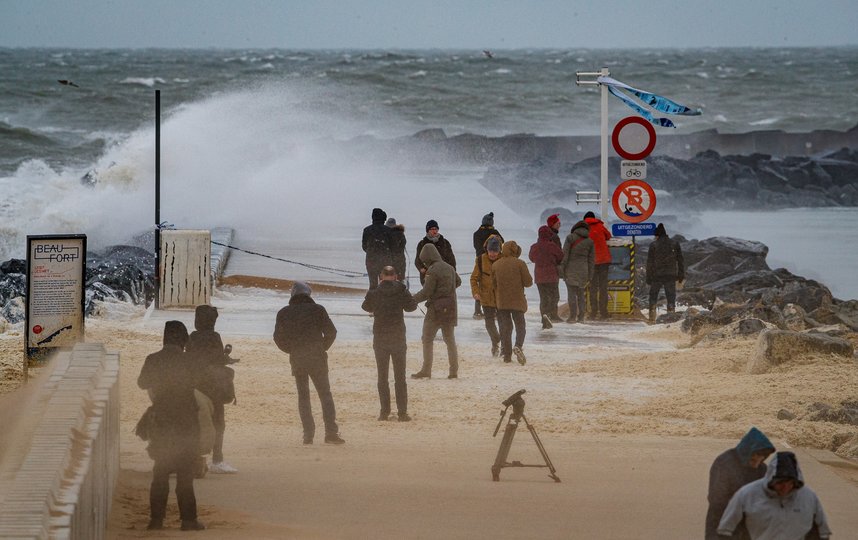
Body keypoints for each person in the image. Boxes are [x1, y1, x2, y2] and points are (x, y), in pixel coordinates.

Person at [137, 321, 205, 531]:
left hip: (162, 421)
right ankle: (188, 520)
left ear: (165, 339)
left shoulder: (153, 359)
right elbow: (201, 382)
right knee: (185, 472)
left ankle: (156, 520)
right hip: (186, 421)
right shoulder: (190, 360)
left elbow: (142, 383)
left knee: (160, 471)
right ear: (183, 340)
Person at [273, 281, 345, 445]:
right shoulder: (318, 310)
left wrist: (291, 350)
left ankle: (308, 435)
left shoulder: (284, 312)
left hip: (298, 358)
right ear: (308, 294)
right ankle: (331, 433)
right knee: (325, 394)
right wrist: (322, 347)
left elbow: (278, 338)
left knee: (303, 396)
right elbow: (331, 332)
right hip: (317, 357)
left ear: (293, 294)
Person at [718, 451, 832, 540]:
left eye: (790, 483)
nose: (785, 488)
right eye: (780, 483)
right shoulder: (747, 494)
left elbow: (822, 532)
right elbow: (726, 530)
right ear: (770, 480)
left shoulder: (809, 497)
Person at [186, 305, 237, 474]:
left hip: (195, 386)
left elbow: (191, 358)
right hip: (213, 386)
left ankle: (194, 458)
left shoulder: (192, 337)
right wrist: (226, 358)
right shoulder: (214, 336)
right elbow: (216, 359)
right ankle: (217, 459)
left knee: (196, 423)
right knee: (218, 423)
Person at [361, 266, 417, 421]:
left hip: (380, 337)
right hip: (398, 336)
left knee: (382, 376)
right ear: (396, 276)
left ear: (381, 276)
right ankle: (402, 413)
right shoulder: (401, 290)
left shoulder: (374, 292)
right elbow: (411, 307)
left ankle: (384, 412)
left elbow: (365, 306)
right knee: (400, 377)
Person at [705, 427, 776, 540]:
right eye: (753, 460)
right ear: (746, 453)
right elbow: (716, 499)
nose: (756, 465)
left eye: (760, 460)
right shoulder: (724, 463)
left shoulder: (762, 469)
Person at [411, 243, 461, 379]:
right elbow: (459, 281)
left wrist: (411, 299)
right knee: (450, 340)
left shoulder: (432, 270)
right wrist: (446, 291)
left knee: (427, 339)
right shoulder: (449, 267)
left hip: (435, 310)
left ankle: (426, 370)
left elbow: (426, 292)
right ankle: (453, 371)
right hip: (450, 307)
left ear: (427, 258)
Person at [492, 240, 533, 365]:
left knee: (506, 328)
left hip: (502, 301)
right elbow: (528, 282)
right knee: (520, 326)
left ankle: (507, 356)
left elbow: (493, 284)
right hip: (517, 301)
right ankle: (518, 346)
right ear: (515, 250)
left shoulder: (496, 265)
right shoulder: (520, 263)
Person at [470, 234, 503, 357]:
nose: (492, 254)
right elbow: (474, 278)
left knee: (503, 322)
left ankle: (504, 346)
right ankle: (496, 341)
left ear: (499, 251)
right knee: (489, 323)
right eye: (490, 251)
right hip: (486, 297)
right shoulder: (480, 260)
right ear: (487, 249)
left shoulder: (503, 259)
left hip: (501, 298)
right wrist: (476, 292)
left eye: (495, 251)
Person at [646, 222, 685, 323]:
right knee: (671, 297)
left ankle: (652, 318)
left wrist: (648, 278)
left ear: (657, 235)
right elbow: (680, 260)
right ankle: (671, 318)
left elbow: (649, 263)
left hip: (656, 276)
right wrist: (681, 275)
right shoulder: (674, 243)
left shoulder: (653, 245)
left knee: (653, 296)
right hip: (670, 275)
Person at [529, 224, 564, 328]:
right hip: (552, 275)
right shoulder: (552, 246)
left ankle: (544, 316)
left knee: (543, 298)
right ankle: (552, 315)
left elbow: (532, 258)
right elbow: (561, 256)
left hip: (539, 276)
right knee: (554, 297)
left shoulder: (534, 246)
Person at [560, 220, 595, 323]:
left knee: (571, 294)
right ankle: (581, 317)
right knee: (581, 295)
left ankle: (572, 317)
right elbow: (591, 260)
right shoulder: (590, 241)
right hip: (584, 270)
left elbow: (564, 255)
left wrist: (562, 269)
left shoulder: (570, 238)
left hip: (570, 269)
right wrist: (590, 275)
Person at [472, 212, 503, 318]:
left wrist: (482, 254)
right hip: (493, 259)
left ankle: (477, 310)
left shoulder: (476, 233)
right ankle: (494, 308)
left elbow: (476, 246)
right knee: (492, 283)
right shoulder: (494, 232)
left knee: (481, 283)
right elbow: (502, 243)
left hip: (479, 259)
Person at [583, 211, 612, 320]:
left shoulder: (584, 228)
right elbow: (608, 236)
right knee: (603, 287)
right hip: (604, 260)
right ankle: (604, 312)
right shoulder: (600, 226)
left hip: (592, 262)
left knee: (593, 287)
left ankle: (593, 312)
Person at [415, 219, 456, 285]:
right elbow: (417, 260)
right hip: (428, 276)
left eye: (436, 229)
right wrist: (421, 268)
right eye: (432, 229)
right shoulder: (422, 244)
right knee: (430, 294)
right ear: (428, 230)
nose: (435, 231)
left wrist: (453, 272)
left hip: (443, 275)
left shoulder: (445, 242)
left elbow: (451, 259)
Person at [362, 208, 393, 289]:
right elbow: (392, 247)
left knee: (373, 284)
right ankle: (383, 301)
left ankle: (371, 300)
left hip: (371, 260)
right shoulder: (388, 230)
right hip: (385, 260)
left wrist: (371, 252)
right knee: (385, 284)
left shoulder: (367, 230)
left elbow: (364, 246)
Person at [386, 217, 407, 284]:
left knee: (389, 280)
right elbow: (403, 245)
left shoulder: (388, 234)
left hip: (391, 260)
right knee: (400, 280)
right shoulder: (401, 234)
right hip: (401, 260)